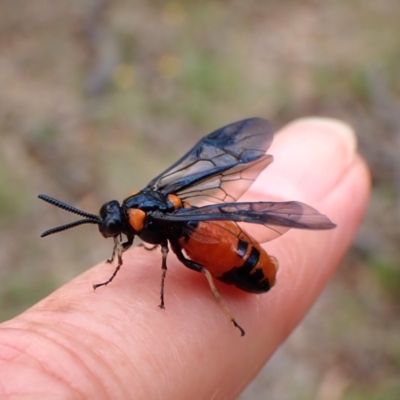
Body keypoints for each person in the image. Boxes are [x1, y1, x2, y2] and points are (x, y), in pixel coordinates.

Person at [0, 118, 369, 399]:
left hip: (230, 253)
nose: (112, 233)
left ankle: (224, 307)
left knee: (195, 261)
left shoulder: (148, 218)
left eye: (112, 228)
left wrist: (158, 282)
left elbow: (164, 255)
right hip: (203, 230)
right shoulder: (144, 207)